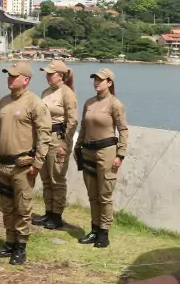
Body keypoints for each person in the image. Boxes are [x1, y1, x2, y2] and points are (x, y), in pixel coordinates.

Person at [0, 61, 52, 265]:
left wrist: (38, 163)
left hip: (23, 166)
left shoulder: (35, 103)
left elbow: (44, 135)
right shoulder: (4, 102)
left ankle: (21, 246)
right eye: (8, 75)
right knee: (6, 206)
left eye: (13, 76)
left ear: (25, 80)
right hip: (3, 164)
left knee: (23, 208)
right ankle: (9, 242)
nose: (9, 78)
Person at [75, 68, 130, 249]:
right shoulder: (89, 103)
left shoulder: (115, 104)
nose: (97, 82)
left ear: (109, 83)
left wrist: (120, 154)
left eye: (101, 80)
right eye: (95, 79)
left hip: (106, 152)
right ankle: (94, 229)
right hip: (88, 151)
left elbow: (123, 130)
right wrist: (78, 146)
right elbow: (83, 127)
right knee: (92, 194)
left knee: (104, 194)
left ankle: (104, 233)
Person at [33, 60, 78, 230]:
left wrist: (66, 143)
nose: (47, 76)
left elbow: (73, 121)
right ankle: (48, 211)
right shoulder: (46, 92)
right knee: (45, 178)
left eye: (50, 74)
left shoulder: (67, 93)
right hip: (43, 138)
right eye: (46, 73)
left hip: (57, 138)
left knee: (56, 178)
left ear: (61, 75)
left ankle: (57, 214)